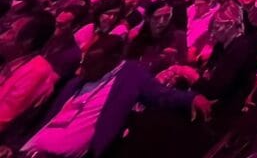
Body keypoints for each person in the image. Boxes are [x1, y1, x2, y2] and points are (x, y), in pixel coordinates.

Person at [20, 36, 212, 158]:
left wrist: (191, 98)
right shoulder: (75, 83)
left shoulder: (129, 74)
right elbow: (46, 117)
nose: (82, 69)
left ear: (111, 62)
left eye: (91, 64)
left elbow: (160, 95)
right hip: (34, 148)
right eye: (84, 62)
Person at [0, 11, 58, 137]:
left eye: (10, 32)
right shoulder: (11, 59)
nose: (2, 36)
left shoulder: (36, 71)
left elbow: (2, 118)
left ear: (28, 42)